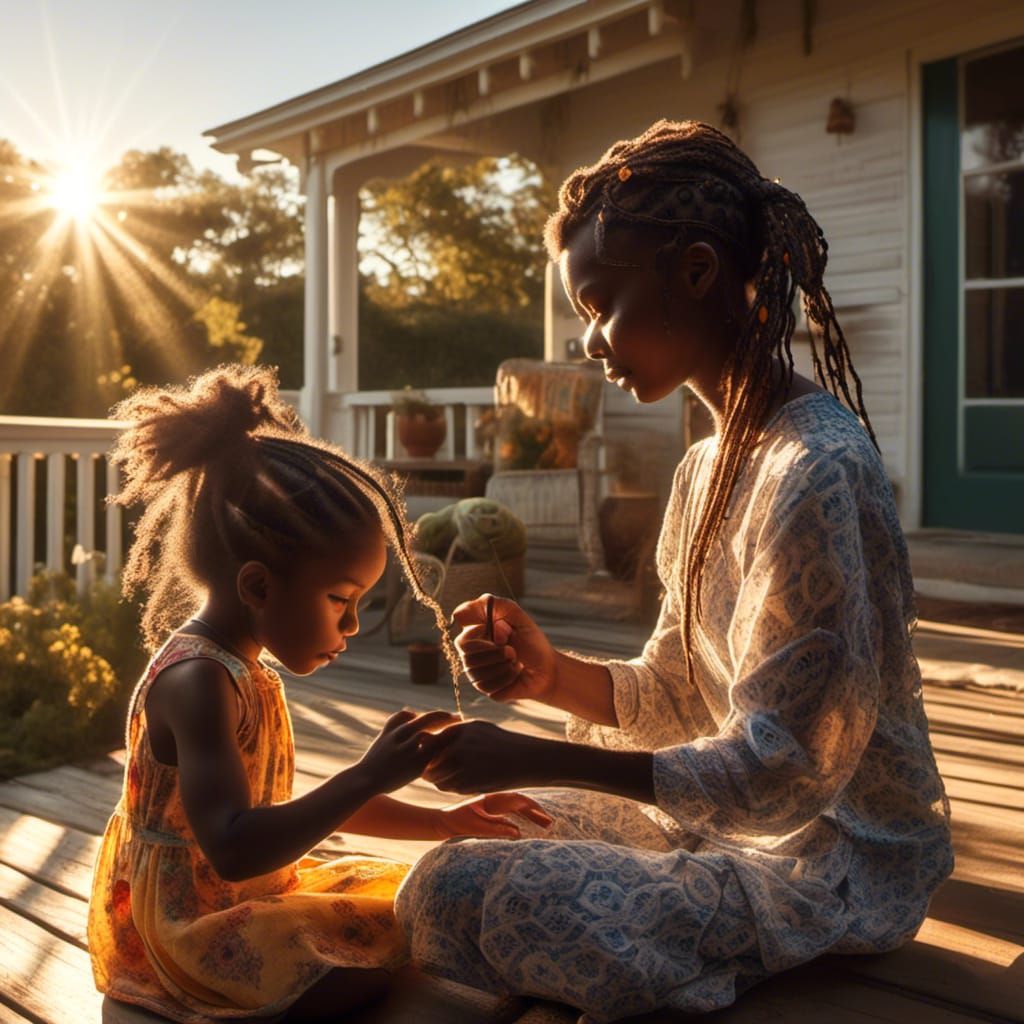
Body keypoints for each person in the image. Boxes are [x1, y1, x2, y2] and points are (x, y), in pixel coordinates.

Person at [395, 120, 955, 1022]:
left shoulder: (814, 470)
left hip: (826, 856)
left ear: (696, 271)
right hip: (717, 817)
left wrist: (533, 748)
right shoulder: (707, 467)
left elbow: (787, 774)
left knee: (488, 895)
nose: (590, 341)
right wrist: (549, 676)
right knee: (479, 841)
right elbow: (677, 691)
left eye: (599, 303)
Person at [86, 364, 552, 1023]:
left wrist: (441, 824)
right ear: (257, 587)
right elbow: (235, 845)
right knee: (349, 975)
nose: (353, 626)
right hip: (187, 926)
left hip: (253, 888)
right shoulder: (197, 682)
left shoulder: (245, 667)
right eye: (341, 600)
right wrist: (364, 776)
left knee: (409, 904)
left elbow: (289, 812)